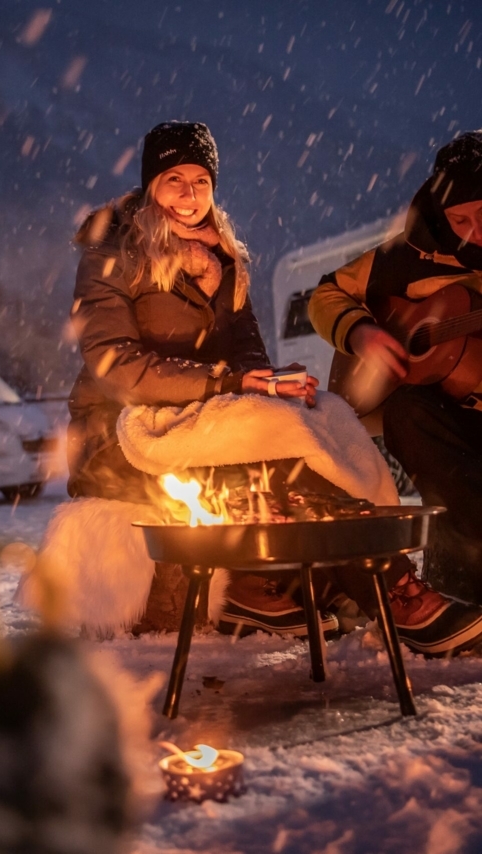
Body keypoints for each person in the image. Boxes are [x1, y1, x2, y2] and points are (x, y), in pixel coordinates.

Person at [67, 120, 482, 656]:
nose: (190, 194)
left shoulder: (222, 258)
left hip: (198, 415)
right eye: (175, 179)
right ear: (151, 185)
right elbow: (114, 366)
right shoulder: (114, 254)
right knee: (272, 452)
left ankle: (362, 587)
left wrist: (271, 387)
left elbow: (246, 349)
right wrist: (229, 383)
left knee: (315, 427)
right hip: (116, 430)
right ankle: (393, 597)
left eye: (201, 180)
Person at [309, 129, 482, 615]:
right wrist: (363, 332)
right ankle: (453, 599)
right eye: (460, 218)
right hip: (443, 422)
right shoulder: (407, 256)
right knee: (409, 413)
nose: (474, 231)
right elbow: (326, 294)